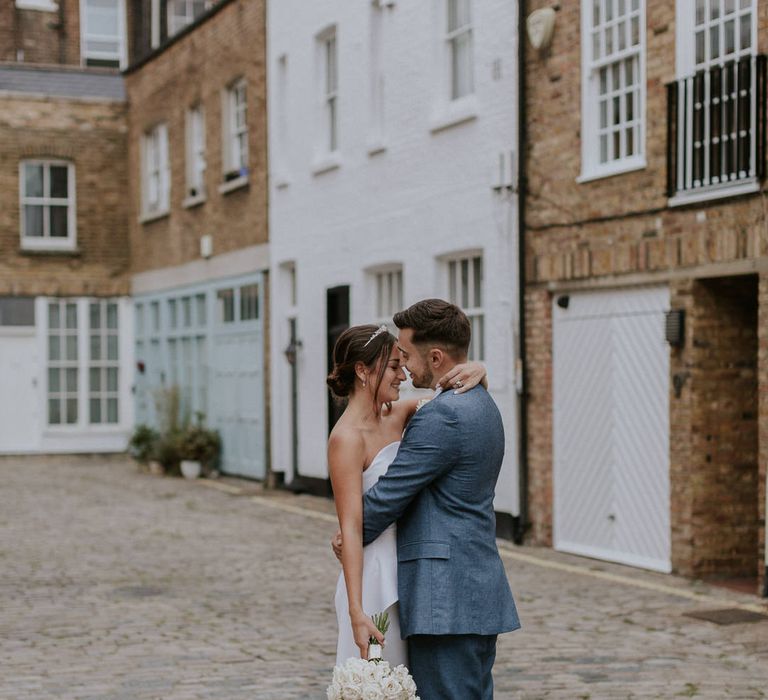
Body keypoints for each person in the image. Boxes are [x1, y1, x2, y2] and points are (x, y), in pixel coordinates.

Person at [332, 299, 520, 699]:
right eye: (395, 362)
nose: (405, 369)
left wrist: (348, 535)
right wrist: (480, 369)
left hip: (445, 601)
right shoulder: (483, 403)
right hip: (472, 589)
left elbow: (388, 497)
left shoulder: (442, 416)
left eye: (407, 358)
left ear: (435, 356)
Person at [327, 321, 488, 668]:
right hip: (372, 576)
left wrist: (478, 368)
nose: (402, 376)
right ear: (362, 371)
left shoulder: (398, 414)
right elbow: (353, 527)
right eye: (394, 367)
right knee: (377, 679)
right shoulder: (345, 439)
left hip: (409, 570)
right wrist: (357, 610)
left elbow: (447, 397)